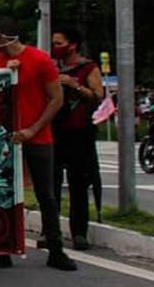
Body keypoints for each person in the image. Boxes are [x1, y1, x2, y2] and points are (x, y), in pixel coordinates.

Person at [0, 17, 77, 272]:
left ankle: (56, 250)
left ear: (2, 37)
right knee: (1, 194)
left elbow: (56, 98)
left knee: (46, 195)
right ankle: (1, 250)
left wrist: (33, 128)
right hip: (5, 140)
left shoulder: (39, 59)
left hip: (38, 137)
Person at [48, 26, 103, 251]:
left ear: (73, 45)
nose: (55, 48)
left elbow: (97, 97)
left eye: (59, 43)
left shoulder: (88, 68)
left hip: (79, 133)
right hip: (53, 132)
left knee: (79, 185)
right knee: (51, 186)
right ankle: (51, 232)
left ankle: (79, 232)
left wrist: (75, 86)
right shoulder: (51, 66)